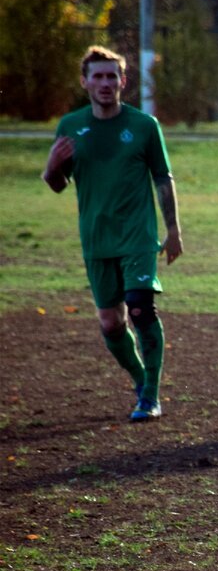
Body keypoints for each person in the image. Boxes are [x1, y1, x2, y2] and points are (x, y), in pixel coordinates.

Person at [42, 45, 183, 422]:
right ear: (85, 82)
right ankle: (139, 378)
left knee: (139, 306)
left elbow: (163, 178)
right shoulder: (70, 127)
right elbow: (57, 183)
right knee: (111, 321)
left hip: (137, 235)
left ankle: (151, 395)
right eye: (97, 76)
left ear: (123, 81)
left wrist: (173, 230)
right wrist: (51, 167)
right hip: (96, 238)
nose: (105, 83)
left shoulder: (143, 126)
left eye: (111, 76)